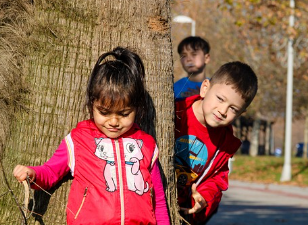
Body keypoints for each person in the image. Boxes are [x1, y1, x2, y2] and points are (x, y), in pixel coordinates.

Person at [13, 47, 170, 225]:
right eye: (104, 112)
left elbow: (159, 201)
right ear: (91, 104)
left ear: (137, 109)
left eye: (124, 114)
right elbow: (51, 171)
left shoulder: (146, 145)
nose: (113, 121)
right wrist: (33, 174)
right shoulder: (79, 139)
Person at [174, 61, 258, 224]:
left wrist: (204, 197)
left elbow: (218, 178)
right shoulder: (176, 113)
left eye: (233, 109)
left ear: (241, 113)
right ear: (205, 88)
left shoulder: (225, 142)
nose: (223, 111)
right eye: (220, 99)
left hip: (184, 209)